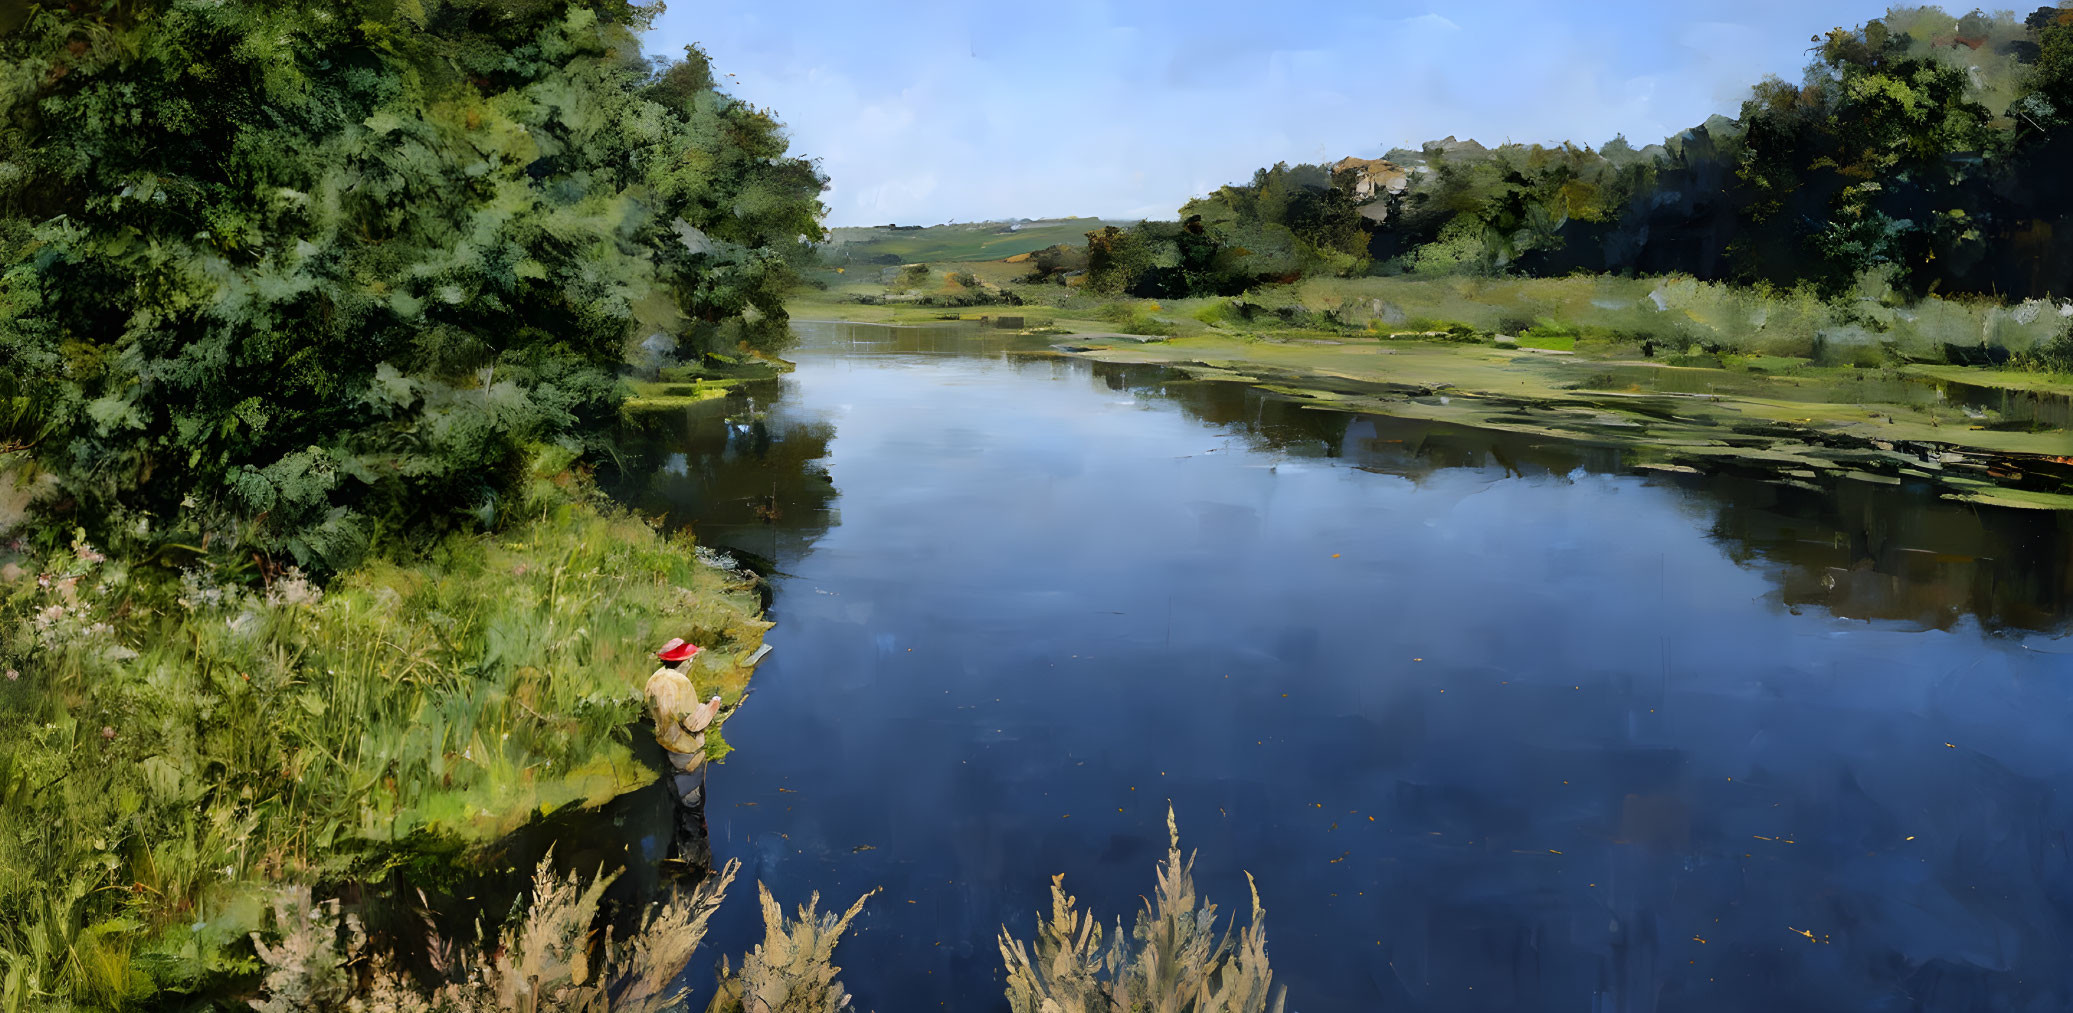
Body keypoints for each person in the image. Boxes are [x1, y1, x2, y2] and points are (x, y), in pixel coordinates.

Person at [646, 638, 724, 873]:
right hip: (686, 755)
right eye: (691, 659)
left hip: (664, 748)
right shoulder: (681, 683)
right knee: (693, 809)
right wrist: (712, 706)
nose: (692, 662)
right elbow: (693, 723)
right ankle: (698, 864)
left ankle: (670, 856)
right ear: (685, 661)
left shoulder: (654, 680)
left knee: (673, 806)